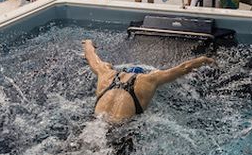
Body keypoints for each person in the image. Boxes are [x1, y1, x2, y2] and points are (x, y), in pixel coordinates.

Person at [83, 39, 215, 123]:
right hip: (120, 131)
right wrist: (204, 59)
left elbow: (91, 56)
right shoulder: (148, 79)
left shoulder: (105, 73)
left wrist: (88, 43)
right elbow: (184, 68)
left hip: (95, 124)